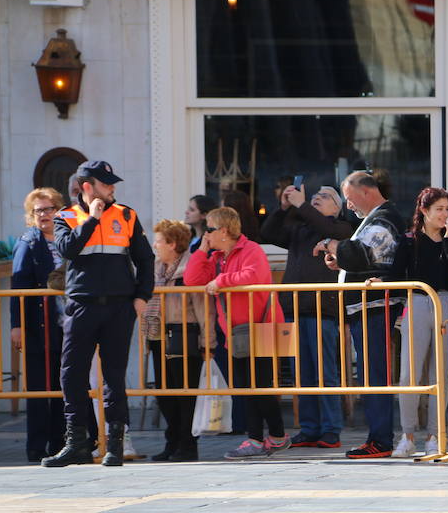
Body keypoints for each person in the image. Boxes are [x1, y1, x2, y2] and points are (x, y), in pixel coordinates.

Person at [42, 160, 155, 468]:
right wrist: (91, 219)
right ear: (88, 187)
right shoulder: (66, 216)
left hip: (119, 307)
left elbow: (146, 259)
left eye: (113, 184)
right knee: (71, 373)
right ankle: (78, 442)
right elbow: (67, 250)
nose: (113, 188)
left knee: (114, 376)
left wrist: (143, 296)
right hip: (82, 305)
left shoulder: (126, 215)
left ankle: (116, 445)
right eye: (106, 184)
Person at [184, 207, 291, 459]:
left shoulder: (251, 249)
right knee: (245, 387)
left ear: (223, 230)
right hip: (236, 331)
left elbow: (253, 275)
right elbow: (192, 279)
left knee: (260, 386)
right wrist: (201, 251)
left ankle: (274, 436)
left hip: (263, 326)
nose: (206, 235)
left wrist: (220, 281)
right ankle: (260, 439)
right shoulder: (218, 256)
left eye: (209, 229)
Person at [313, 170, 404, 458]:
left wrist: (331, 245)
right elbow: (362, 258)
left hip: (374, 308)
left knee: (375, 375)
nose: (348, 205)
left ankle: (380, 440)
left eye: (351, 199)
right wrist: (341, 264)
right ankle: (377, 438)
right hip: (366, 308)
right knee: (369, 374)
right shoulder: (375, 218)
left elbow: (361, 254)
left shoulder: (384, 218)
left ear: (367, 192)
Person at [260, 184, 353, 448]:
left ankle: (331, 429)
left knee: (326, 373)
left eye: (323, 197)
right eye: (313, 197)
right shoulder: (300, 228)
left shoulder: (341, 227)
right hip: (294, 309)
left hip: (322, 311)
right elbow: (267, 233)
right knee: (302, 375)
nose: (315, 200)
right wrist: (283, 207)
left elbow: (329, 230)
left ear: (337, 207)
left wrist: (301, 206)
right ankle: (310, 428)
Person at [387, 187, 448, 458]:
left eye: (447, 208)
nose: (444, 214)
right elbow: (396, 275)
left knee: (442, 375)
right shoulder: (410, 240)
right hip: (418, 302)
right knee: (408, 374)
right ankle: (407, 435)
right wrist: (376, 280)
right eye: (439, 209)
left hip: (447, 304)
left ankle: (437, 434)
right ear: (424, 211)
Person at [143, 220, 213, 462]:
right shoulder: (154, 268)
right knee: (164, 393)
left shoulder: (188, 269)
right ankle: (172, 442)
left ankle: (187, 445)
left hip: (184, 332)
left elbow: (203, 308)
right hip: (158, 334)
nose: (155, 244)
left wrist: (208, 340)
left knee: (185, 393)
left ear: (172, 244)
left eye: (159, 240)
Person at [10, 188, 68, 462]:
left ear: (58, 209)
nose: (44, 215)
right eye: (39, 211)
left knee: (62, 384)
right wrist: (17, 325)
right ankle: (36, 445)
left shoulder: (67, 237)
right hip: (38, 324)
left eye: (49, 209)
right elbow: (18, 285)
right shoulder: (28, 243)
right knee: (39, 386)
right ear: (31, 216)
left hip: (66, 324)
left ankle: (59, 441)